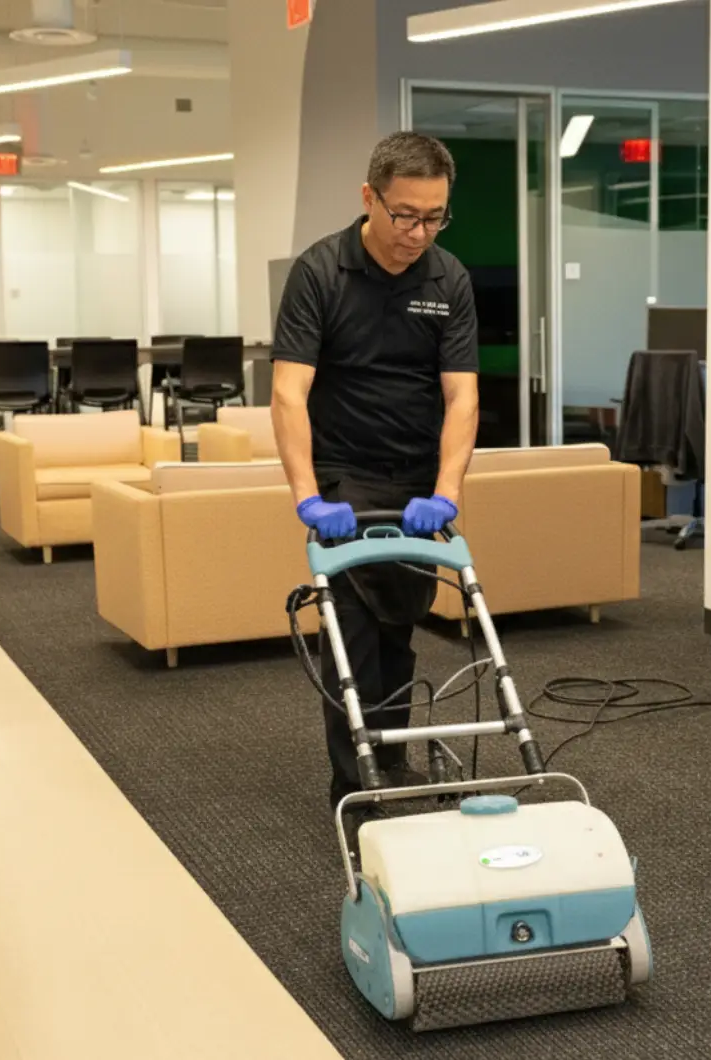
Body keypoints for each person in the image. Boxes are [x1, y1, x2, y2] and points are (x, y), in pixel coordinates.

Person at [270, 131, 479, 809]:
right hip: (343, 477)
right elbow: (289, 392)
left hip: (416, 481)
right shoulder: (320, 272)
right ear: (370, 197)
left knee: (398, 627)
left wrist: (446, 491)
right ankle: (356, 787)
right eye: (405, 215)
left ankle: (390, 762)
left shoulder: (448, 279)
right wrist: (308, 498)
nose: (418, 234)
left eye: (435, 218)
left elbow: (462, 396)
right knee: (353, 635)